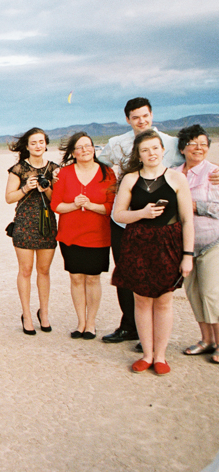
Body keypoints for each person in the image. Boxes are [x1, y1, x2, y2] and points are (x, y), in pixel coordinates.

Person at [98, 97, 181, 345]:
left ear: (152, 115)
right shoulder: (116, 143)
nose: (141, 121)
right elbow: (97, 163)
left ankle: (154, 334)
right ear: (128, 119)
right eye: (135, 117)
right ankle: (129, 326)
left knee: (158, 274)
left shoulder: (170, 143)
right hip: (125, 218)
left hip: (161, 223)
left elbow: (192, 158)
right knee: (126, 271)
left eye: (145, 115)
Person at [112, 129, 194, 375]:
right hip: (137, 243)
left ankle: (161, 356)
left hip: (168, 243)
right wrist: (142, 214)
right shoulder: (130, 179)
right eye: (145, 150)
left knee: (164, 299)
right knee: (141, 299)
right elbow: (118, 214)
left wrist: (187, 256)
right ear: (138, 154)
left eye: (155, 148)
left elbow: (187, 220)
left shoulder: (177, 179)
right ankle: (147, 355)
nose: (151, 154)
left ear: (163, 149)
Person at [51, 132, 116, 340]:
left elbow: (111, 207)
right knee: (76, 278)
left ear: (94, 148)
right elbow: (56, 205)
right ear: (73, 152)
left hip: (98, 234)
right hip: (70, 235)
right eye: (79, 147)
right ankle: (80, 322)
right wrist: (74, 205)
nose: (85, 150)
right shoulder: (64, 173)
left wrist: (90, 206)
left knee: (93, 278)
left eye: (88, 146)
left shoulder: (107, 173)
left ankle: (91, 323)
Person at [5, 128, 59, 335]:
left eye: (41, 142)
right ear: (26, 146)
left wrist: (47, 189)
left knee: (44, 271)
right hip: (25, 224)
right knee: (25, 270)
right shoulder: (17, 170)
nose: (38, 146)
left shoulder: (54, 170)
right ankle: (26, 314)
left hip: (47, 224)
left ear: (46, 144)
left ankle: (43, 313)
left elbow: (57, 202)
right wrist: (26, 188)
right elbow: (9, 198)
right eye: (33, 142)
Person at [173, 125, 219, 362]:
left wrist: (196, 206)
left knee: (211, 293)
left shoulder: (215, 173)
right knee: (193, 293)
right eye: (193, 143)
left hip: (213, 241)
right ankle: (206, 340)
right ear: (182, 148)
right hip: (185, 246)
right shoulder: (173, 173)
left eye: (203, 143)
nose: (199, 148)